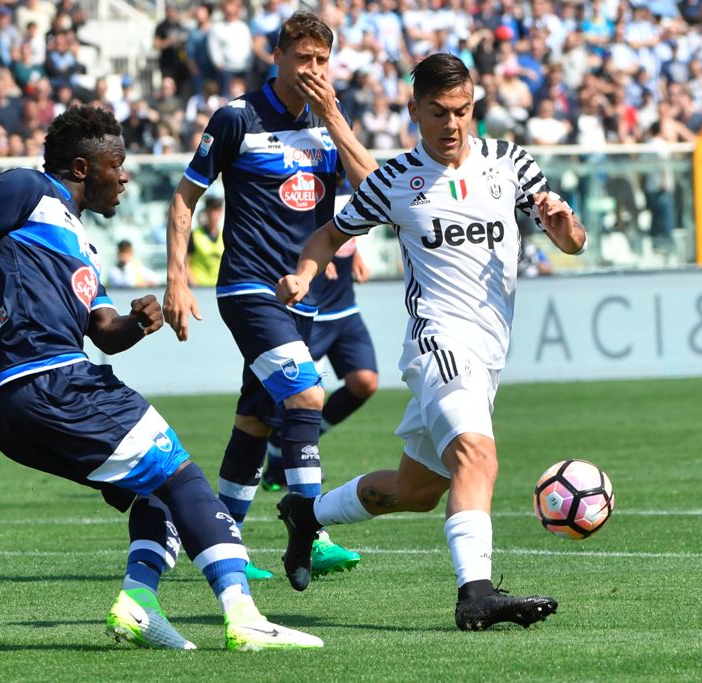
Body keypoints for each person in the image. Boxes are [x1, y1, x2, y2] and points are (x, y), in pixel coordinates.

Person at [0, 105, 322, 652]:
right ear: (83, 169)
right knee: (181, 475)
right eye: (118, 165)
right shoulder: (23, 188)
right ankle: (244, 616)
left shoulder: (80, 243)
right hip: (44, 378)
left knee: (155, 488)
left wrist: (137, 322)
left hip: (14, 404)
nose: (126, 177)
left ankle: (139, 605)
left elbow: (104, 331)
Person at [275, 54, 587, 629]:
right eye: (439, 112)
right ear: (415, 110)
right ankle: (477, 593)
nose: (452, 125)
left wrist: (562, 222)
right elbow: (328, 234)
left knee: (416, 491)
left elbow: (571, 241)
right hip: (438, 345)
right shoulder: (395, 181)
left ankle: (305, 512)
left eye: (463, 111)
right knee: (478, 457)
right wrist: (304, 275)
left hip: (488, 355)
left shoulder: (510, 162)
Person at [162, 10, 378, 582]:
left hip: (301, 296)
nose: (312, 70)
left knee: (254, 422)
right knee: (306, 399)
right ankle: (307, 530)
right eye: (302, 58)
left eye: (321, 60)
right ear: (276, 57)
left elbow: (374, 191)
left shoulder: (329, 119)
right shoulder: (237, 118)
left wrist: (333, 114)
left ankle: (221, 543)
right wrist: (177, 280)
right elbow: (184, 199)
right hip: (247, 286)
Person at [262, 238, 378, 492]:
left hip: (345, 308)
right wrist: (314, 258)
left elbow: (347, 225)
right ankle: (279, 462)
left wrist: (354, 254)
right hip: (310, 310)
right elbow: (298, 223)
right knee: (300, 396)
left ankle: (289, 444)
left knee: (365, 382)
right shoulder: (312, 196)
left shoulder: (349, 195)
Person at [187, 195, 224, 287]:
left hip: (218, 288)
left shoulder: (225, 236)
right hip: (199, 288)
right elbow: (185, 263)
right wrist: (194, 284)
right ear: (206, 211)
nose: (214, 215)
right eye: (211, 210)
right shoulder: (194, 235)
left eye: (217, 210)